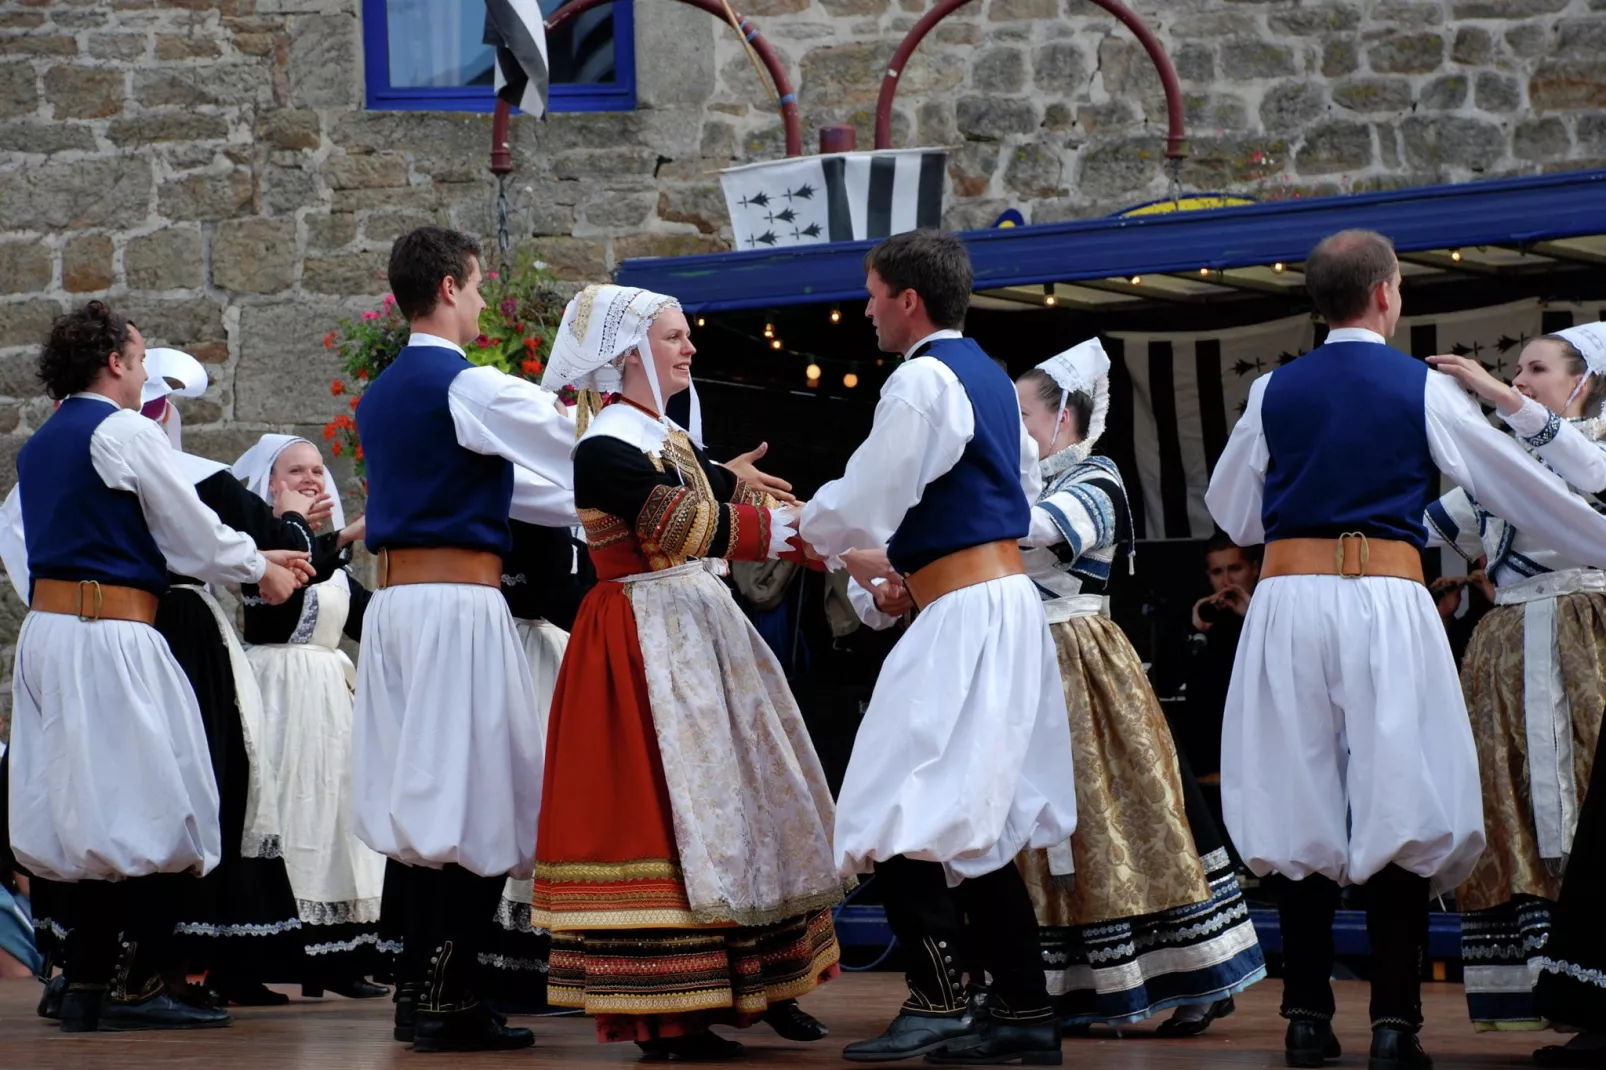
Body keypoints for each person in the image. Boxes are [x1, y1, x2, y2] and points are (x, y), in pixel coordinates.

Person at [1205, 229, 1606, 1070]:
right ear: (1387, 293)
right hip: (1386, 597)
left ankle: (1307, 1017)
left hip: (1287, 600)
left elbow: (1234, 513)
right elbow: (1516, 487)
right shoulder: (1418, 387)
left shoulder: (1272, 389)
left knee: (1294, 793)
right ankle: (1394, 1026)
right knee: (1400, 792)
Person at [532, 284, 844, 1060]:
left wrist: (754, 493)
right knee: (671, 812)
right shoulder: (603, 446)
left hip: (698, 627)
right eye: (674, 337)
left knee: (746, 798)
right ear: (630, 353)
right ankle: (669, 1011)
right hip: (644, 638)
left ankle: (763, 985)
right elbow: (685, 523)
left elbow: (705, 490)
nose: (689, 347)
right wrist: (807, 529)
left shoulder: (662, 436)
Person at [799, 230, 1077, 1066]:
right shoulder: (990, 379)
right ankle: (1023, 1012)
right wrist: (915, 577)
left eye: (874, 293)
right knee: (970, 818)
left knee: (896, 799)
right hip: (989, 599)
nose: (869, 309)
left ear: (909, 300)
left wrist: (801, 528)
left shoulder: (922, 380)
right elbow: (1012, 507)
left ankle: (942, 998)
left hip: (967, 613)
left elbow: (870, 497)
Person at [7, 301, 308, 1032]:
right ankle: (128, 979)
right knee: (153, 804)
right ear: (114, 361)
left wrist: (252, 557)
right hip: (111, 634)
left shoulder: (43, 443)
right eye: (138, 358)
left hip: (50, 636)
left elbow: (146, 536)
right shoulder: (123, 430)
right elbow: (187, 525)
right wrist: (257, 570)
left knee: (91, 809)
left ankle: (85, 983)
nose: (142, 372)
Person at [352, 226, 583, 1052]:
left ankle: (424, 990)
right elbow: (570, 441)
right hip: (456, 605)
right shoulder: (466, 386)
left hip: (400, 605)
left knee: (428, 802)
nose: (484, 303)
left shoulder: (381, 394)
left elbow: (520, 491)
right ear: (448, 287)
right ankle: (449, 998)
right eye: (479, 286)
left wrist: (595, 505)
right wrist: (672, 462)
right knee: (475, 793)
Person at [1011, 341, 1266, 1035]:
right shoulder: (1020, 482)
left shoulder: (1097, 477)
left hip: (1082, 664)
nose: (1012, 429)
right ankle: (1075, 986)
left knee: (1126, 816)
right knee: (1052, 829)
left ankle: (1198, 976)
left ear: (1062, 416)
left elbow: (1050, 534)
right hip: (1024, 662)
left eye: (1022, 413)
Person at [1419, 322, 1606, 1057]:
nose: (1520, 380)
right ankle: (1564, 992)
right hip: (1506, 648)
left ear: (1581, 383)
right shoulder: (1499, 466)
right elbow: (1432, 527)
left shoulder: (1595, 446)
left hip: (1587, 638)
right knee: (1518, 807)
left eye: (1536, 368)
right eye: (1515, 369)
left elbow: (1587, 473)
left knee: (1590, 802)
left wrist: (1494, 396)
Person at [231, 434, 389, 1002]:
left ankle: (338, 960)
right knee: (281, 820)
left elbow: (373, 624)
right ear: (268, 485)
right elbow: (288, 597)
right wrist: (342, 537)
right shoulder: (256, 551)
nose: (311, 479)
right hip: (278, 697)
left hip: (329, 702)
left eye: (318, 470)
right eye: (296, 471)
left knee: (336, 820)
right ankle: (253, 961)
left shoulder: (336, 565)